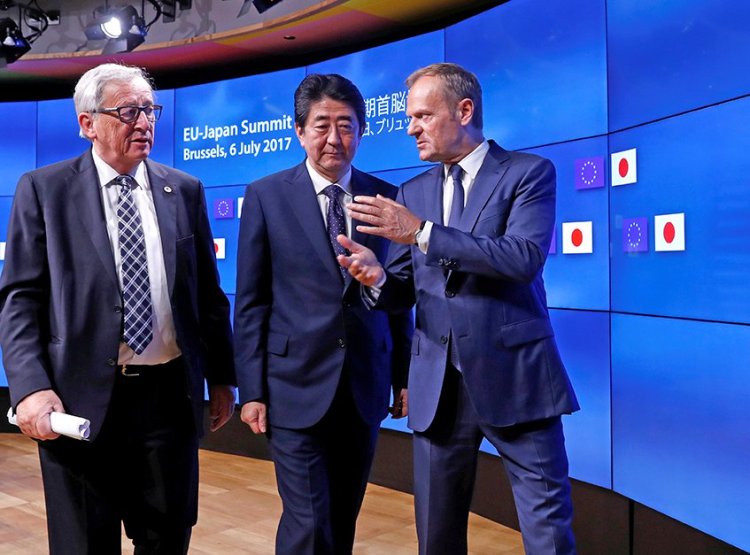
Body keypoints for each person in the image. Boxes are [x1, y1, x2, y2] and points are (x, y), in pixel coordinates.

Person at [339, 62, 580, 555]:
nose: (411, 128)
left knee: (547, 531)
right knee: (437, 534)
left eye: (423, 116)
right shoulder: (414, 192)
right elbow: (405, 287)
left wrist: (422, 233)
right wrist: (377, 276)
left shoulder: (528, 173)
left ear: (464, 110)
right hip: (437, 390)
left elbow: (522, 258)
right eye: (410, 117)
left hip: (517, 379)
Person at [0, 63, 236, 555]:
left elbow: (207, 298)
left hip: (168, 400)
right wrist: (30, 387)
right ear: (88, 123)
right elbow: (21, 299)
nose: (145, 122)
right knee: (85, 543)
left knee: (168, 539)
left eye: (150, 110)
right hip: (79, 403)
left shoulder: (184, 189)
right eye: (129, 111)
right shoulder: (44, 190)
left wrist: (221, 377)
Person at [233, 73, 412, 555]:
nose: (334, 138)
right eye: (322, 125)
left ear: (362, 130)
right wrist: (251, 388)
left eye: (347, 126)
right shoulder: (267, 195)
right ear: (299, 131)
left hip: (364, 382)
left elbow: (401, 297)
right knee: (308, 520)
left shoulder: (388, 197)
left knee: (341, 516)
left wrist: (403, 375)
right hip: (292, 385)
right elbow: (251, 301)